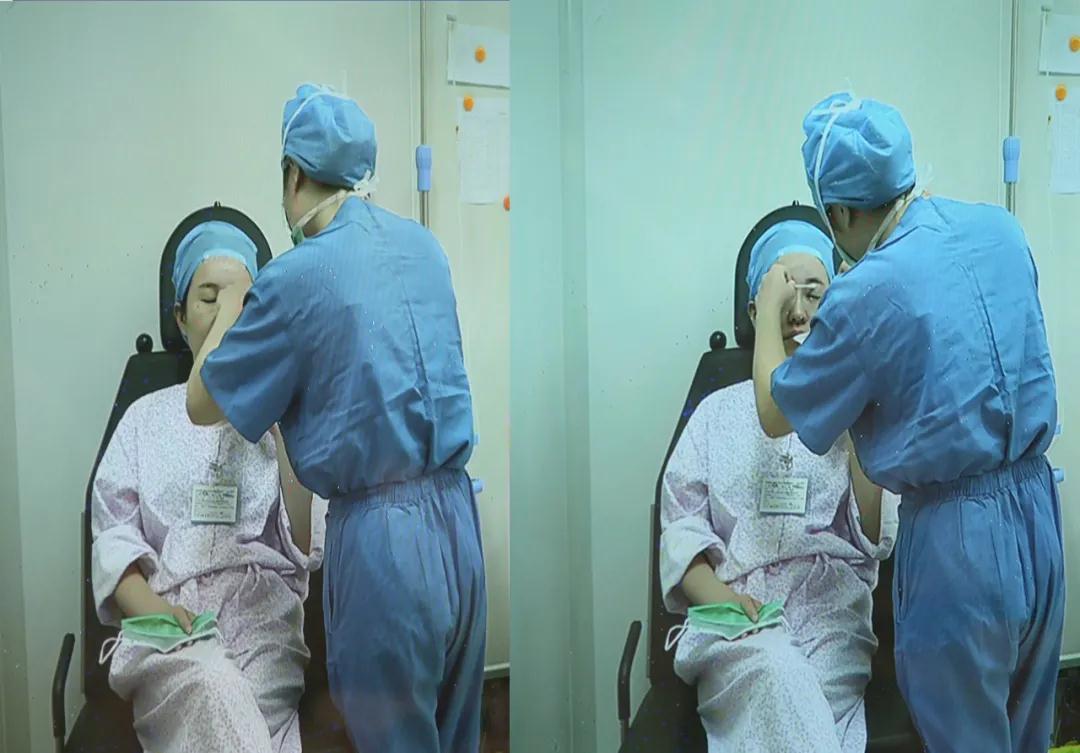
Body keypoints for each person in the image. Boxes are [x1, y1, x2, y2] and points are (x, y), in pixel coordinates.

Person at [751, 92, 1063, 752]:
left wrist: (772, 307)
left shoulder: (865, 293)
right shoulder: (1001, 230)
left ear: (838, 212)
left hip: (959, 545)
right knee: (1028, 729)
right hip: (1039, 514)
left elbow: (776, 412)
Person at [183, 84, 486, 753]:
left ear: (292, 173)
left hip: (385, 546)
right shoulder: (424, 248)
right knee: (456, 731)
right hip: (460, 523)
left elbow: (202, 403)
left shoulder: (295, 278)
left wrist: (231, 302)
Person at [662, 220, 898, 753]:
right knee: (773, 669)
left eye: (814, 294)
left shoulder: (853, 407)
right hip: (739, 615)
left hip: (831, 613)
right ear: (755, 312)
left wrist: (857, 409)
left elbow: (875, 536)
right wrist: (727, 601)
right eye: (782, 296)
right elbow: (681, 530)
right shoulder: (714, 414)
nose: (798, 312)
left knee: (804, 692)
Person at [92, 221, 328, 753]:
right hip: (174, 623)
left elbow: (306, 546)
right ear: (179, 317)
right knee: (210, 685)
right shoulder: (144, 419)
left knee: (239, 700)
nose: (226, 312)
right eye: (208, 298)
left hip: (263, 623)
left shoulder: (281, 411)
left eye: (241, 300)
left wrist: (284, 429)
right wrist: (156, 612)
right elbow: (113, 539)